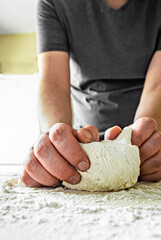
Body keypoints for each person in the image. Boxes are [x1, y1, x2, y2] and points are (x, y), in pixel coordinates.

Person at [20, 0, 161, 187]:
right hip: (82, 145)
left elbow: (156, 87)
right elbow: (53, 82)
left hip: (152, 145)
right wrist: (55, 141)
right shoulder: (54, 3)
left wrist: (141, 146)